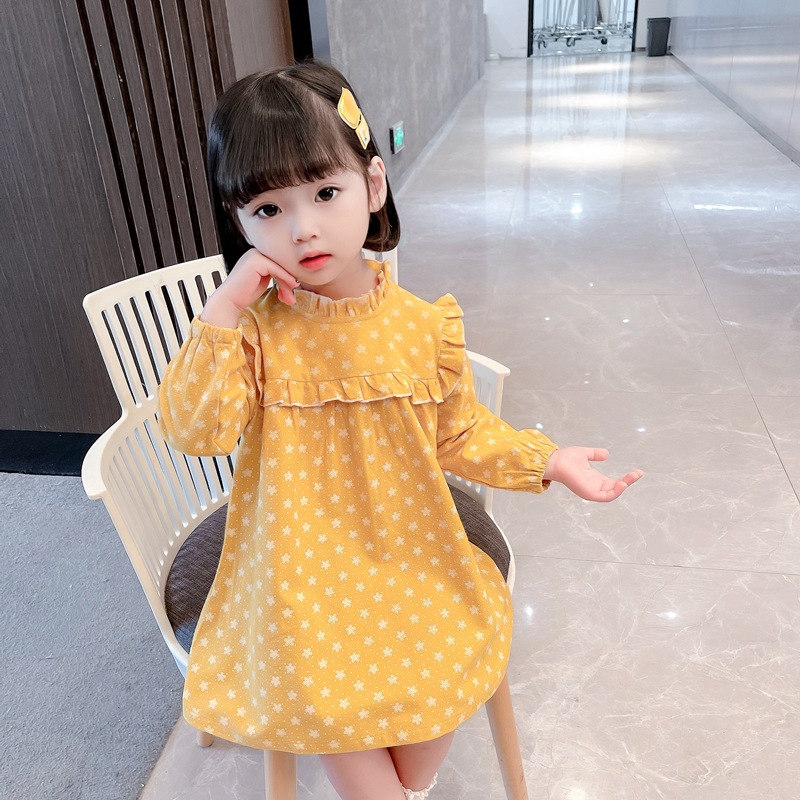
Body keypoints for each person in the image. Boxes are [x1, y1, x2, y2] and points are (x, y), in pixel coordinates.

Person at [158, 60, 643, 800]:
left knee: (428, 726)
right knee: (339, 713)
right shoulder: (251, 334)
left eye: (325, 192)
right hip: (298, 578)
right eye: (267, 209)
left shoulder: (422, 327)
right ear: (240, 222)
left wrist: (547, 460)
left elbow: (459, 435)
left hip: (411, 554)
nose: (303, 227)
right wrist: (225, 306)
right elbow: (197, 430)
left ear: (373, 185)